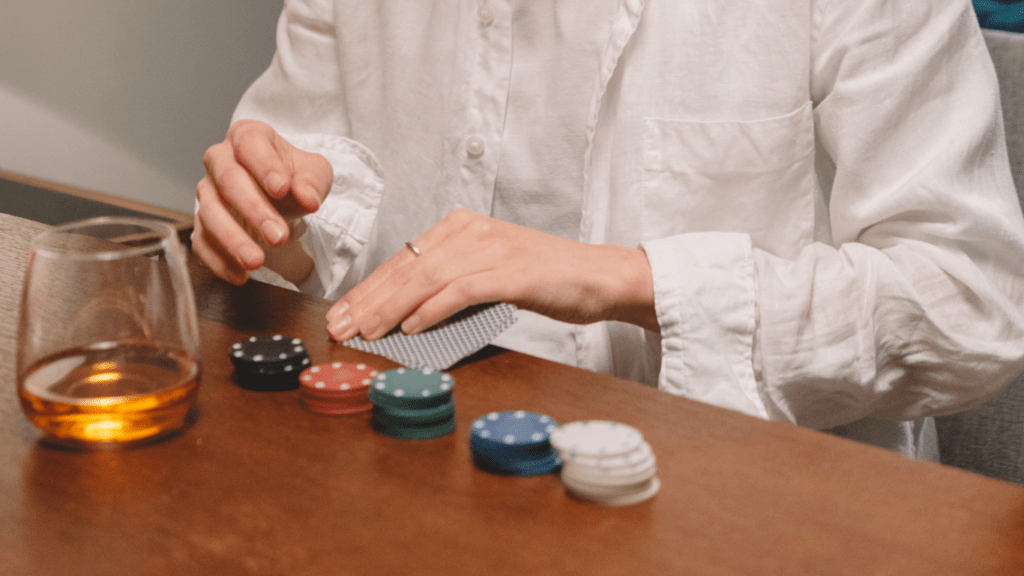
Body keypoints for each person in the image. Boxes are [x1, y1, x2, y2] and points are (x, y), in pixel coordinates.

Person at [193, 0, 1024, 458]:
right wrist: (275, 224)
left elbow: (971, 305)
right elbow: (304, 218)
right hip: (423, 472)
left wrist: (622, 278)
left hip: (759, 505)